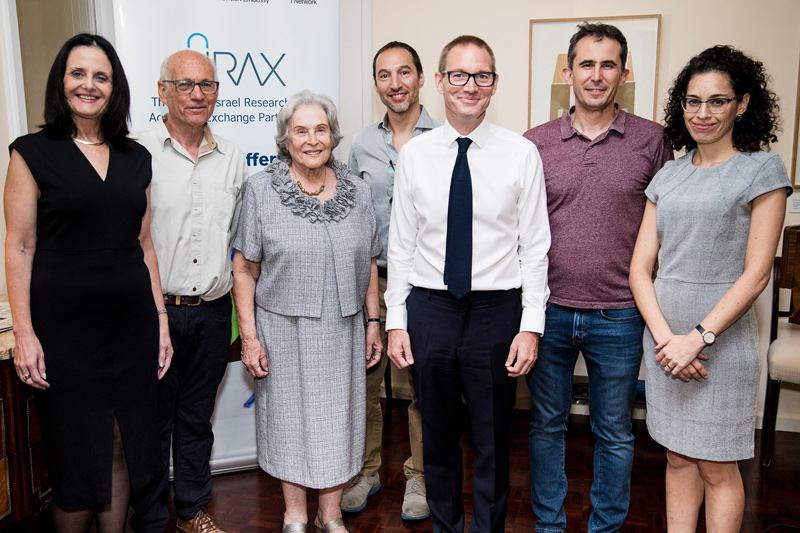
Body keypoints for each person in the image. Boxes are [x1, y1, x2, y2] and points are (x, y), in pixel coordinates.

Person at [4, 33, 171, 532]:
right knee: (79, 458)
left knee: (123, 445)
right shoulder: (31, 153)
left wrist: (160, 319)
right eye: (78, 73)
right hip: (64, 332)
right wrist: (25, 334)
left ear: (114, 87)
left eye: (101, 76)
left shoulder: (135, 158)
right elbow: (18, 246)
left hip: (132, 326)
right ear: (62, 80)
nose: (89, 85)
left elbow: (144, 245)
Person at [385, 35, 550, 533]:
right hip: (430, 311)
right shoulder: (415, 155)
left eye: (481, 76)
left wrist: (531, 327)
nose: (469, 86)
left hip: (495, 314)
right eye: (458, 75)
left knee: (492, 442)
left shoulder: (521, 154)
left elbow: (535, 248)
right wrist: (397, 321)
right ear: (439, 82)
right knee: (435, 439)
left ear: (494, 84)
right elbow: (401, 247)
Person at [629, 45, 792, 532]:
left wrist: (696, 338)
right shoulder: (668, 175)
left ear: (742, 104)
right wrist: (666, 340)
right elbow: (641, 269)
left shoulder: (762, 171)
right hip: (664, 343)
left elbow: (757, 274)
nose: (703, 113)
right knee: (678, 458)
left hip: (719, 343)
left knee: (717, 466)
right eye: (693, 101)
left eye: (717, 101)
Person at [522, 23, 673, 533]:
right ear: (568, 73)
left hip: (621, 314)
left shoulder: (652, 141)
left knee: (615, 432)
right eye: (586, 64)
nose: (596, 75)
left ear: (624, 74)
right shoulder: (535, 143)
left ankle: (605, 527)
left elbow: (664, 228)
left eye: (608, 65)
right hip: (550, 311)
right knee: (546, 426)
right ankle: (549, 526)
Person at [232, 90, 382, 533]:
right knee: (288, 423)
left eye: (321, 129)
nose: (312, 139)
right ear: (286, 139)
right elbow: (244, 269)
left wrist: (373, 322)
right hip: (282, 328)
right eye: (301, 130)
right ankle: (295, 514)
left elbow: (370, 261)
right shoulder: (261, 190)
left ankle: (330, 513)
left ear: (333, 137)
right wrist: (250, 337)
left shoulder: (357, 189)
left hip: (344, 328)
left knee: (339, 422)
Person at [129, 50, 247, 533]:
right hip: (154, 313)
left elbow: (239, 242)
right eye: (185, 85)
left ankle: (193, 511)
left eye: (207, 84)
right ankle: (153, 519)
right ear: (162, 91)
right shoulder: (136, 153)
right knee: (152, 424)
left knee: (197, 420)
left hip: (214, 313)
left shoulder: (234, 157)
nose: (198, 95)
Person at [344, 40, 438, 520]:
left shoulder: (444, 138)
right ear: (376, 82)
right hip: (372, 281)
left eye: (405, 73)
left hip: (425, 283)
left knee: (424, 384)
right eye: (385, 74)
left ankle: (419, 477)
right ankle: (367, 470)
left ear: (422, 78)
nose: (396, 84)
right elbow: (350, 218)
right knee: (367, 380)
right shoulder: (360, 145)